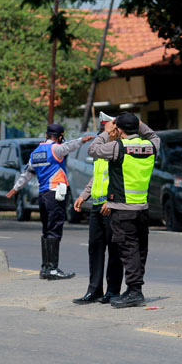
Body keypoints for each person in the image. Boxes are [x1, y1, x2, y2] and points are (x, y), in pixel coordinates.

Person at [88, 112, 160, 308]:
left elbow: (92, 150)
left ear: (118, 130)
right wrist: (139, 124)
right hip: (142, 208)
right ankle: (133, 289)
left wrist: (105, 132)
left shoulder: (117, 147)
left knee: (128, 252)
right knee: (139, 251)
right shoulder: (150, 146)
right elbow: (153, 135)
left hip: (122, 208)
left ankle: (135, 291)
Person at [7, 123, 92, 280]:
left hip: (43, 195)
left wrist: (16, 188)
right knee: (54, 230)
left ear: (46, 135)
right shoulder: (56, 149)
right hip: (55, 195)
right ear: (60, 137)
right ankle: (52, 269)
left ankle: (45, 268)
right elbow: (69, 146)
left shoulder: (36, 153)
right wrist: (83, 140)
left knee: (46, 230)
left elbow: (27, 173)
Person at [72, 112, 124, 305]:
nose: (105, 131)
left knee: (114, 250)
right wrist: (83, 195)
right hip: (96, 204)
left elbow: (120, 180)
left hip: (111, 205)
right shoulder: (102, 151)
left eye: (107, 128)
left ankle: (112, 291)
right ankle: (94, 290)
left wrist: (111, 201)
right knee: (95, 249)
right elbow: (97, 176)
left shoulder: (118, 149)